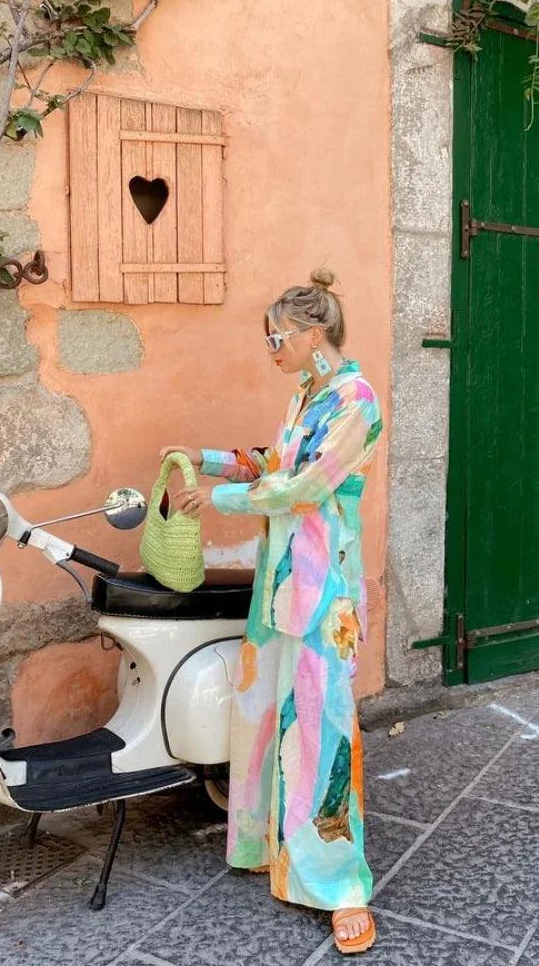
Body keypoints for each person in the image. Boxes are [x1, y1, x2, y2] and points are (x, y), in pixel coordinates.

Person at [160, 268, 383, 955]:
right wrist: (205, 460)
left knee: (322, 732)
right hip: (279, 587)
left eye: (276, 335)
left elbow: (307, 485)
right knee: (264, 716)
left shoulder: (357, 400)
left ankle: (342, 887)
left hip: (323, 595)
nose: (270, 347)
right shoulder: (304, 394)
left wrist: (218, 502)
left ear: (314, 332)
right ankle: (271, 848)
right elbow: (272, 462)